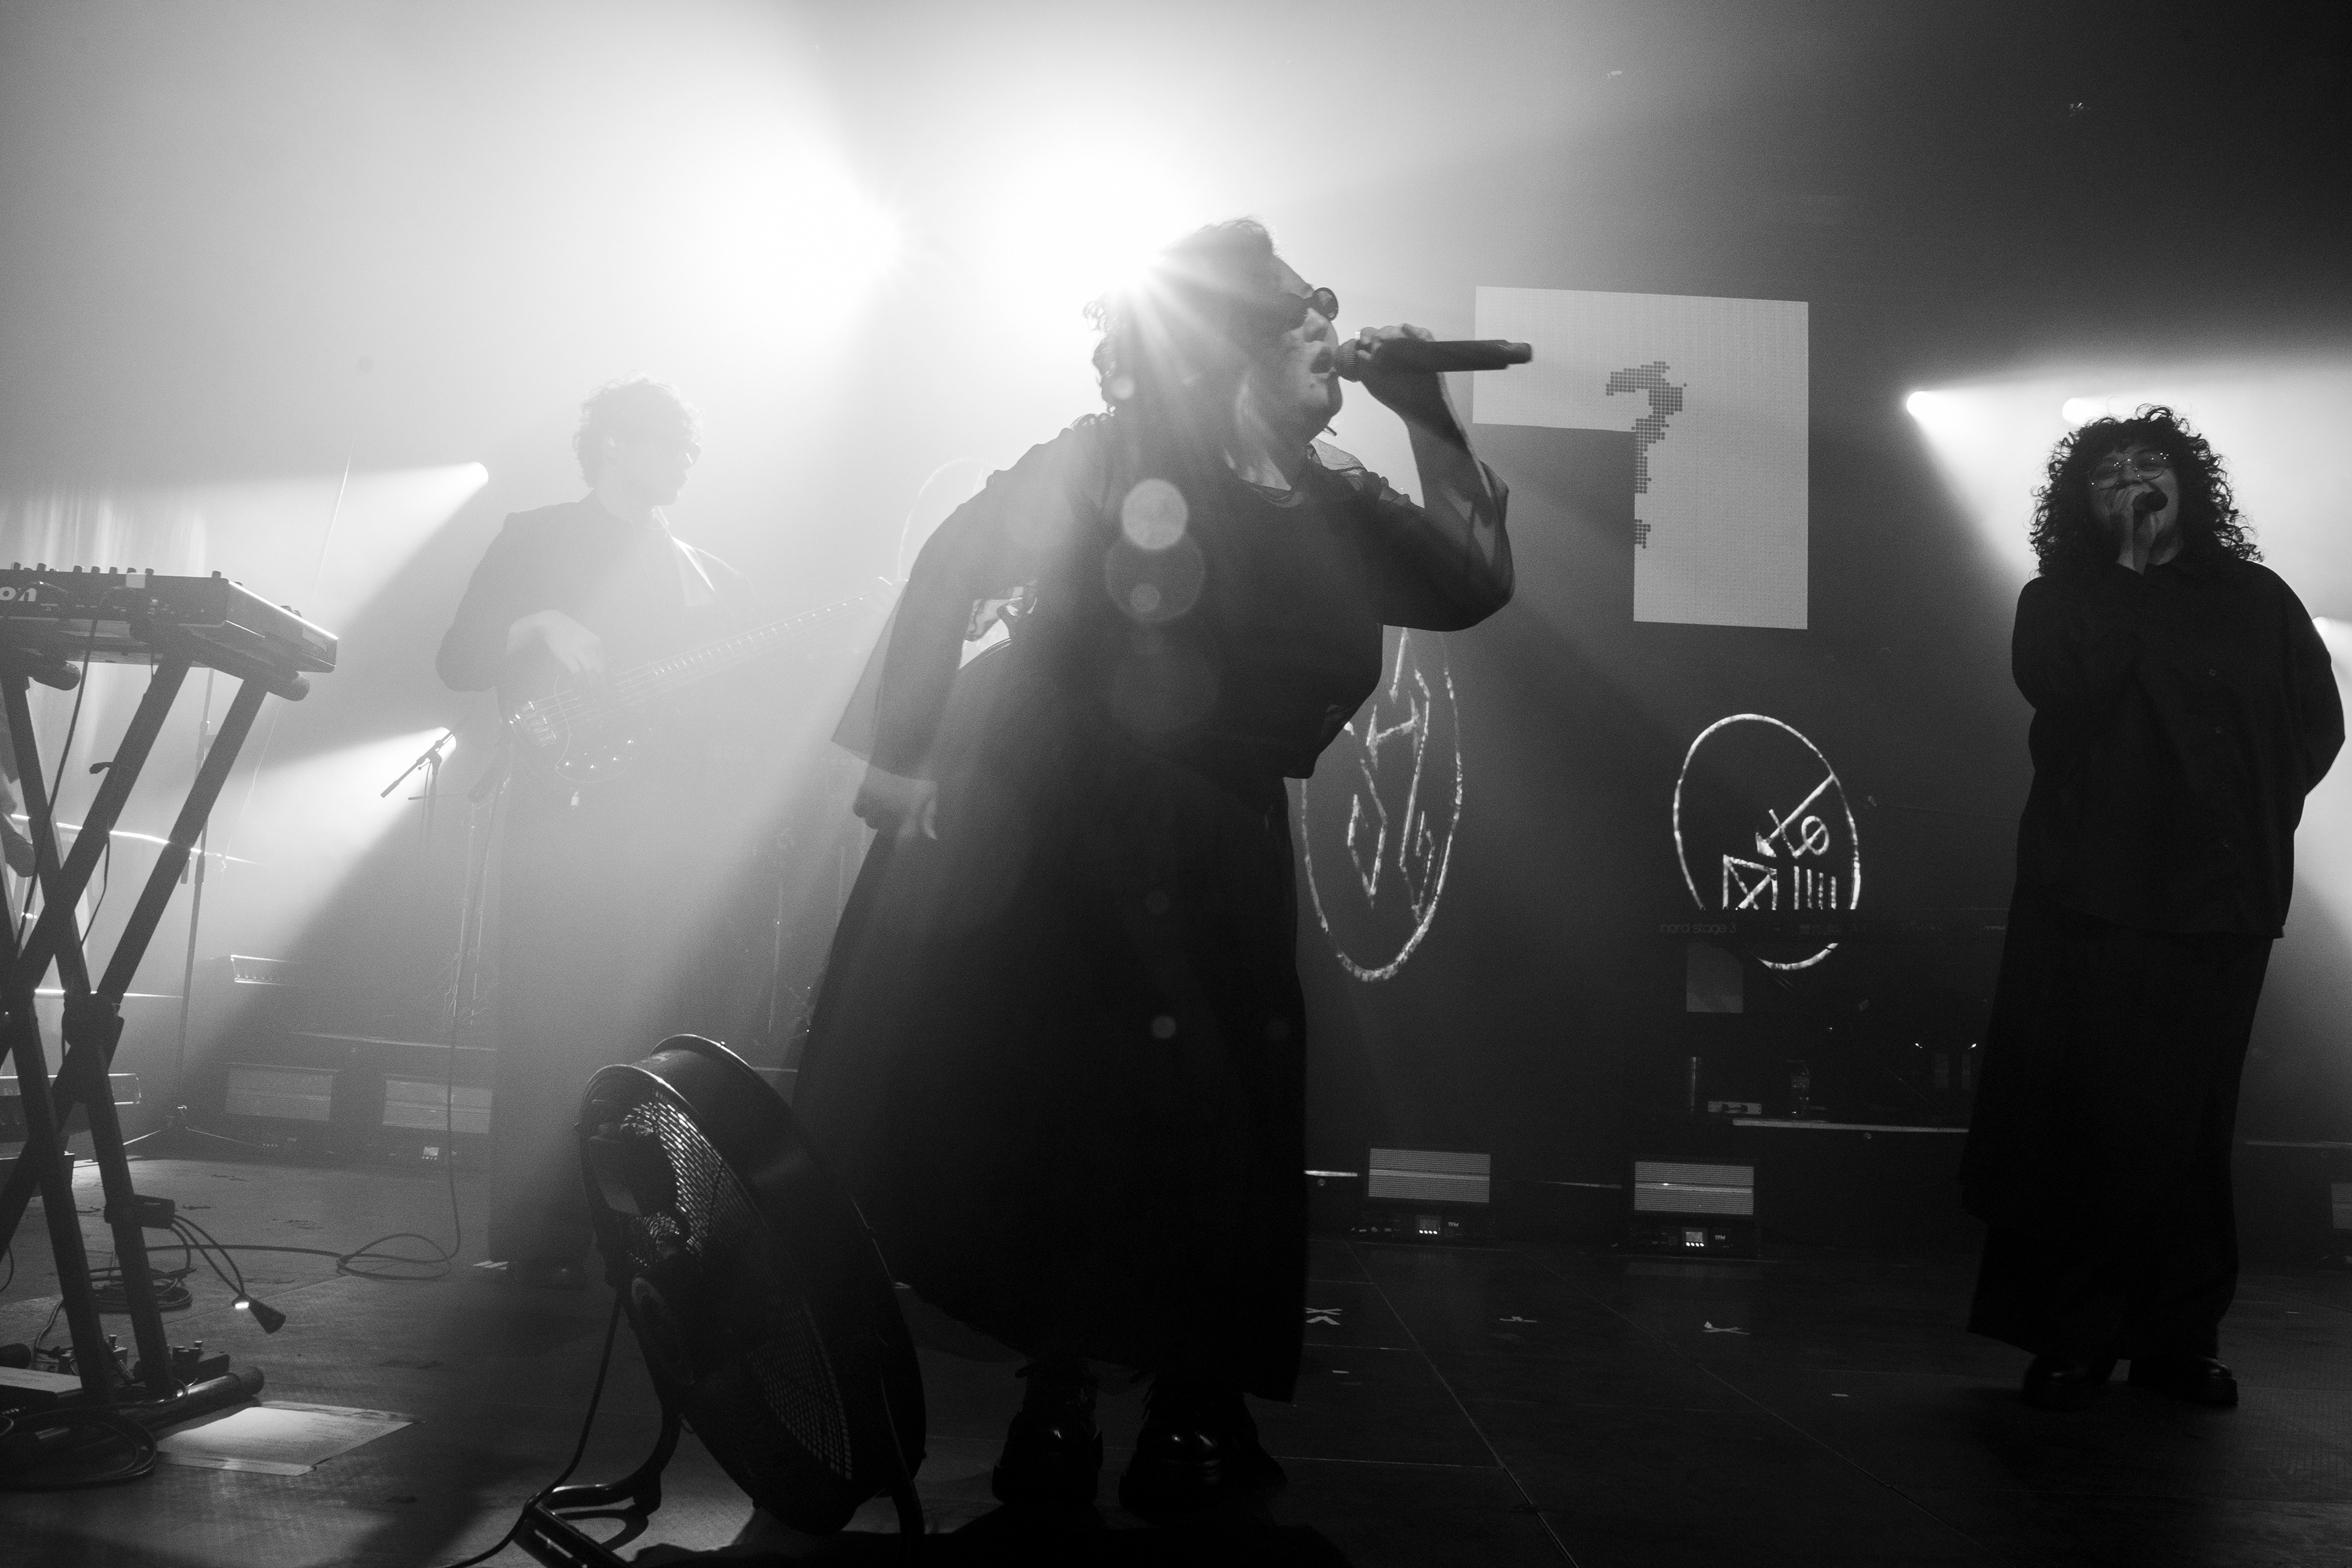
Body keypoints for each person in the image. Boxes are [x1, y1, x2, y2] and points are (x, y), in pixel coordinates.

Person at [793, 219, 1513, 1512]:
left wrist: (1427, 413)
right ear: (1231, 343)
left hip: (1225, 828)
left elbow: (1470, 583)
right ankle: (1060, 1389)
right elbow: (957, 558)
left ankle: (1195, 1395)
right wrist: (899, 757)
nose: (1329, 333)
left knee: (1227, 1119)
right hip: (1071, 817)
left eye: (1328, 312)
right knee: (1085, 1108)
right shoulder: (1114, 457)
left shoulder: (1334, 495)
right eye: (1301, 314)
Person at [1961, 405, 2342, 1411]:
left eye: (2151, 463)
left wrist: (2252, 817)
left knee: (2194, 1125)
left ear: (2189, 485)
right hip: (2102, 896)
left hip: (2224, 900)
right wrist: (2127, 570)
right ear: (2082, 505)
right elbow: (2070, 685)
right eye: (2110, 473)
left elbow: (2316, 723)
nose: (2134, 480)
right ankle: (2079, 1332)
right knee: (2099, 1116)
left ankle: (2179, 1336)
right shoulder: (2060, 600)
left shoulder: (2258, 599)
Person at [437, 376, 760, 1287]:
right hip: (558, 817)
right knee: (548, 1016)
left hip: (663, 825)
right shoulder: (536, 536)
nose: (687, 463)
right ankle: (540, 1238)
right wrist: (540, 621)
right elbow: (458, 659)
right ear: (615, 445)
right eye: (673, 445)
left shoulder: (697, 568)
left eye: (692, 450)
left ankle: (664, 1230)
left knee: (662, 1024)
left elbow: (734, 702)